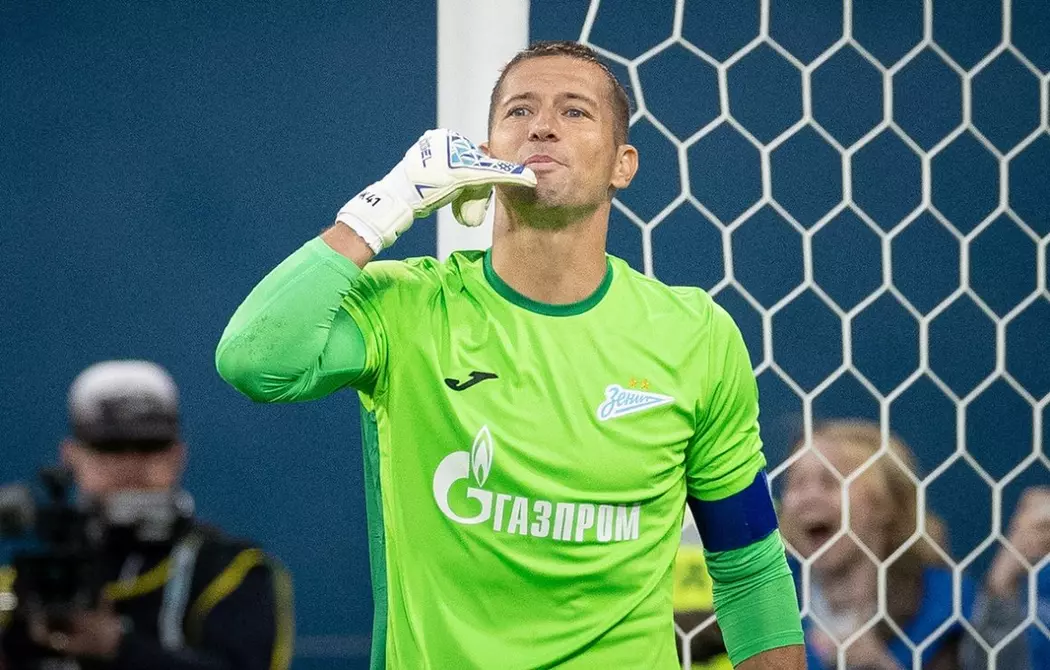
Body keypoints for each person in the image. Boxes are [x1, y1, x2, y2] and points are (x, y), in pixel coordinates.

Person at [216, 40, 804, 669]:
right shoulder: (406, 307)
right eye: (519, 111)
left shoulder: (694, 335)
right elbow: (255, 360)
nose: (543, 126)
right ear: (487, 152)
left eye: (575, 111)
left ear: (623, 164)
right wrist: (386, 204)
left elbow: (749, 567)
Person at [0, 360, 294, 669]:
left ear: (177, 455)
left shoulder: (234, 571)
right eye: (110, 448)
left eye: (148, 446)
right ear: (71, 455)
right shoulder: (22, 580)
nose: (130, 464)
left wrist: (118, 647)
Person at [779, 419, 1030, 669]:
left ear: (884, 502)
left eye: (831, 481)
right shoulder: (770, 607)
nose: (808, 498)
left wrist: (880, 665)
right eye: (796, 483)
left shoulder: (947, 605)